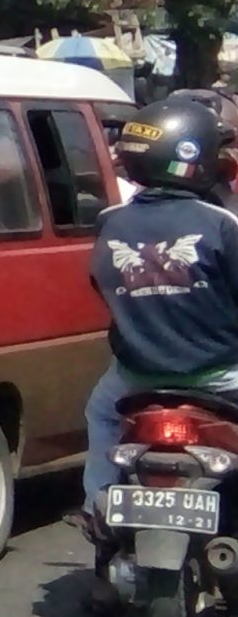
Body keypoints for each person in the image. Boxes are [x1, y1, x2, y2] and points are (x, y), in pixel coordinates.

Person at [82, 97, 238, 536]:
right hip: (222, 376)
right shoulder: (222, 223)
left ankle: (98, 508)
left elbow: (102, 290)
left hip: (138, 378)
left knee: (100, 416)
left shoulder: (110, 222)